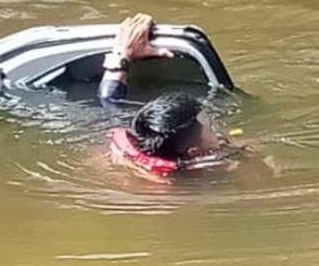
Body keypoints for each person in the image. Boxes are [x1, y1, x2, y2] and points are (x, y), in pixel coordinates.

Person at [98, 13, 238, 174]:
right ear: (195, 152)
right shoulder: (173, 192)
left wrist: (121, 56)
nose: (218, 129)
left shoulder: (123, 151)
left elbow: (109, 101)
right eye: (211, 129)